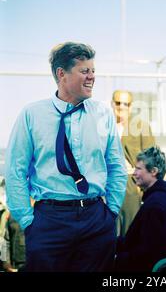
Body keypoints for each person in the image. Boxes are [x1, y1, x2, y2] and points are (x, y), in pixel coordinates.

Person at [5, 42, 128, 272]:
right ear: (62, 74)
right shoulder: (31, 115)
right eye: (84, 71)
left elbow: (116, 167)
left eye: (93, 71)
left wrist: (110, 213)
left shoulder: (103, 114)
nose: (92, 77)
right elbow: (15, 172)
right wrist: (28, 223)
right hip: (49, 222)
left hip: (96, 221)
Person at [115, 146, 166, 272]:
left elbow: (150, 255)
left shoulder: (156, 205)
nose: (134, 173)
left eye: (138, 169)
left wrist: (117, 259)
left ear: (153, 171)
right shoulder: (160, 198)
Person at [111, 90, 155, 236]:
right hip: (108, 185)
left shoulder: (141, 126)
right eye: (118, 103)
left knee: (130, 230)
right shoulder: (105, 127)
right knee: (109, 231)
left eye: (126, 104)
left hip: (131, 185)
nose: (121, 107)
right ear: (112, 104)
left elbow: (151, 157)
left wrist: (142, 185)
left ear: (130, 107)